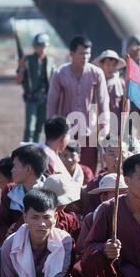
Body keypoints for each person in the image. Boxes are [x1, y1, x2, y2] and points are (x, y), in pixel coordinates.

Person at [46, 35, 110, 173]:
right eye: (81, 53)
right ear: (71, 54)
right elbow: (52, 104)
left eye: (88, 53)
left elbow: (103, 102)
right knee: (63, 168)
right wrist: (51, 132)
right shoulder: (60, 74)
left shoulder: (96, 73)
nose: (85, 57)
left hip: (89, 130)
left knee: (88, 169)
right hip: (66, 131)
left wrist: (104, 130)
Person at [0, 144, 47, 245]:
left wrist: (19, 228)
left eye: (14, 166)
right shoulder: (10, 191)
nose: (12, 170)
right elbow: (1, 222)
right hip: (15, 248)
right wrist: (7, 234)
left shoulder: (50, 189)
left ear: (28, 169)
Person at [16, 33, 56, 143]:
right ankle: (25, 149)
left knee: (39, 128)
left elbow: (54, 80)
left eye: (42, 45)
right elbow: (18, 80)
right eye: (38, 45)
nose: (40, 48)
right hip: (32, 99)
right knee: (30, 128)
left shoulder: (51, 61)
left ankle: (35, 150)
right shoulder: (27, 60)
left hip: (45, 99)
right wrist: (22, 67)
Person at [94, 49, 126, 134]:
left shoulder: (121, 84)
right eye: (108, 64)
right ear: (102, 65)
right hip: (97, 127)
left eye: (113, 65)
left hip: (115, 128)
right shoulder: (95, 83)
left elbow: (124, 108)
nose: (111, 68)